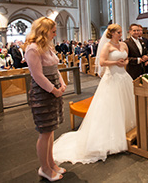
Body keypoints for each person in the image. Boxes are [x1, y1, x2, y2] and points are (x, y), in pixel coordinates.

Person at [53, 24, 136, 164]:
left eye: (121, 32)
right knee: (113, 107)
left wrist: (125, 62)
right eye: (119, 32)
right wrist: (116, 62)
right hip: (113, 78)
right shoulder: (107, 46)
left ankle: (127, 129)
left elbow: (127, 59)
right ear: (112, 33)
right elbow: (102, 62)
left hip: (124, 77)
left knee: (127, 104)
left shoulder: (123, 45)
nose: (121, 34)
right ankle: (113, 136)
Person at [24, 17, 67, 182]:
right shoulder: (32, 49)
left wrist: (62, 85)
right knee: (44, 132)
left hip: (53, 90)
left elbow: (56, 70)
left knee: (51, 130)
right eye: (53, 31)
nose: (55, 34)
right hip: (42, 94)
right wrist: (54, 90)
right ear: (43, 31)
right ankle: (45, 168)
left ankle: (51, 164)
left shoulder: (47, 46)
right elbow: (38, 75)